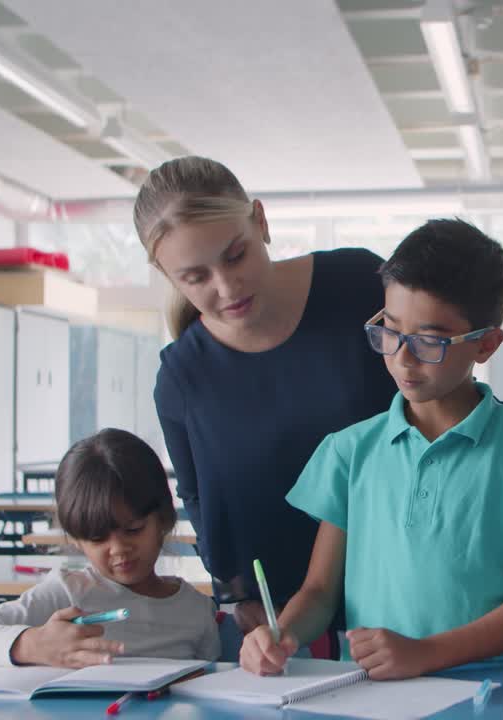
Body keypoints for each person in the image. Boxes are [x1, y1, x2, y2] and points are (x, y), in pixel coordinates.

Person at [240, 219, 503, 679]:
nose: (402, 358)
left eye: (429, 340)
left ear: (486, 343)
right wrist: (283, 634)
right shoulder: (349, 452)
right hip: (379, 696)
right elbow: (320, 592)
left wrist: (426, 652)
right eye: (389, 330)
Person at [138, 157, 394, 633]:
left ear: (261, 221)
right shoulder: (182, 376)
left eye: (236, 255)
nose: (227, 286)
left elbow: (434, 389)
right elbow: (200, 501)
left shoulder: (361, 284)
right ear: (166, 274)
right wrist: (236, 594)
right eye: (196, 277)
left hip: (401, 580)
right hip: (279, 609)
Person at [0, 429, 219, 667]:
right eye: (98, 538)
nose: (119, 548)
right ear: (75, 538)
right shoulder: (67, 594)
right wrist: (33, 645)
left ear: (164, 519)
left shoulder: (196, 611)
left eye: (133, 529)